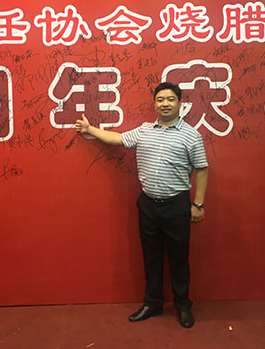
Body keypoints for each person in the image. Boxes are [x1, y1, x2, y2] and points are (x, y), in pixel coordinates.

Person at [75, 81, 208, 328]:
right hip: (148, 205)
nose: (165, 104)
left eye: (170, 99)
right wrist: (89, 129)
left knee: (179, 259)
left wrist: (197, 205)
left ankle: (182, 306)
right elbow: (118, 139)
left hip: (177, 205)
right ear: (154, 104)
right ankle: (152, 303)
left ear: (180, 104)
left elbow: (201, 169)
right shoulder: (145, 130)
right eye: (160, 99)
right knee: (151, 257)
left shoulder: (191, 135)